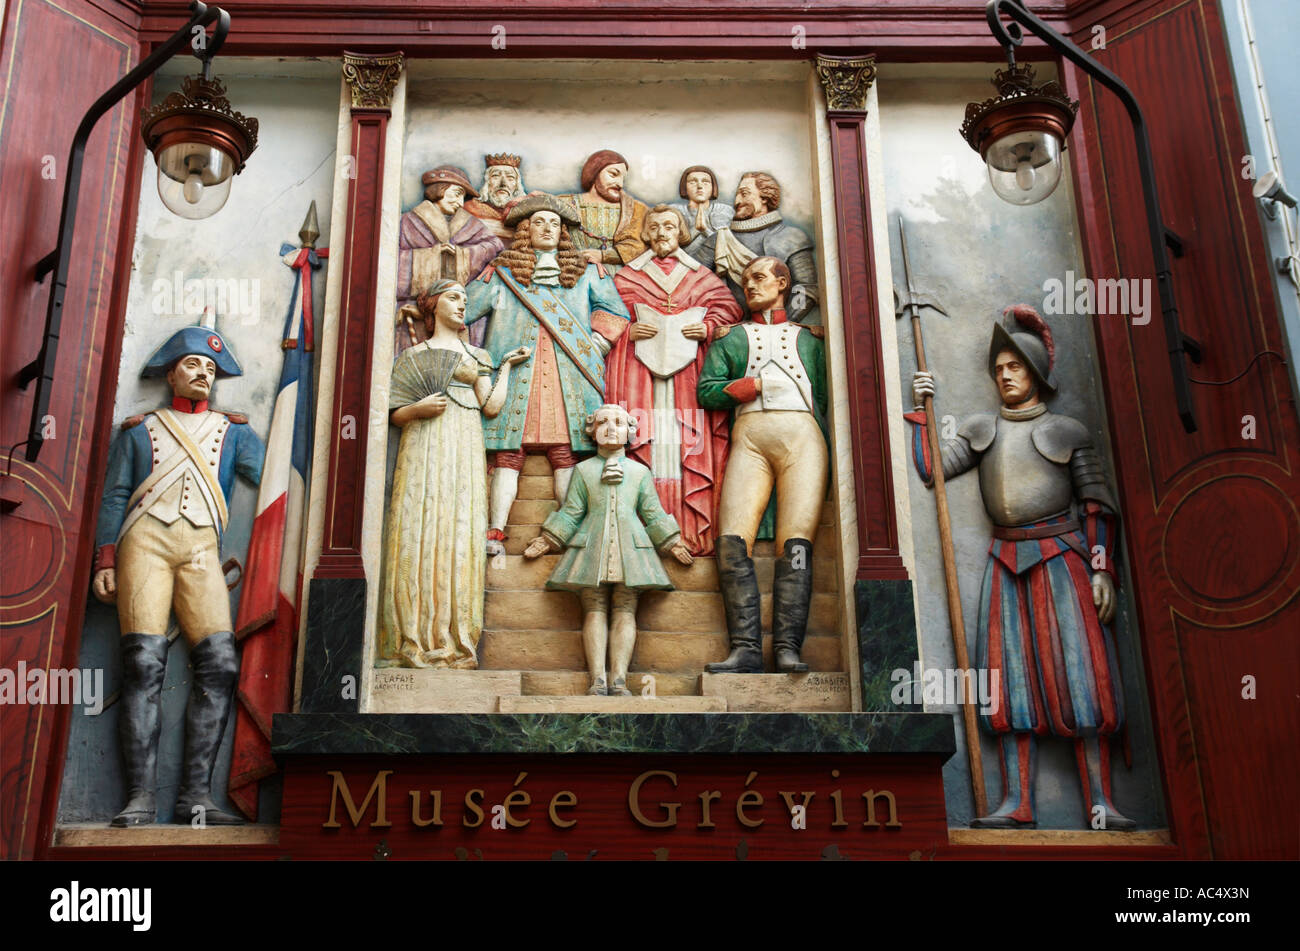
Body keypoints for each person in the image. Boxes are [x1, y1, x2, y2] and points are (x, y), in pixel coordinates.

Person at [908, 304, 1134, 831]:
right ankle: (1018, 802)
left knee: (1081, 675)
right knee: (1009, 682)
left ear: (1035, 372)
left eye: (1014, 366)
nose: (1005, 375)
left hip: (1062, 559)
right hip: (1005, 560)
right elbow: (932, 469)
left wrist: (1102, 569)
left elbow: (1097, 505)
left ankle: (1101, 801)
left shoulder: (1067, 430)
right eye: (998, 369)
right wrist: (922, 409)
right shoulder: (982, 427)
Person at [91, 322, 265, 827]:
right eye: (193, 364)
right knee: (143, 665)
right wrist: (105, 560)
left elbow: (275, 470)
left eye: (211, 369)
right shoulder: (141, 429)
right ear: (171, 373)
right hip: (143, 544)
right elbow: (117, 496)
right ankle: (140, 799)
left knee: (220, 665)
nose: (203, 375)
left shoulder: (233, 431)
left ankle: (196, 799)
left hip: (201, 550)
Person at [464, 193, 631, 556]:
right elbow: (463, 309)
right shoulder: (502, 275)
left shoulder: (588, 273)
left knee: (566, 450)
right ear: (525, 229)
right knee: (509, 451)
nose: (548, 229)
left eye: (554, 224)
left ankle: (570, 530)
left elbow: (615, 313)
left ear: (563, 233)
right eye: (539, 222)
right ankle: (495, 531)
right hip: (516, 371)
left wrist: (596, 347)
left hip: (569, 372)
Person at [380, 279, 528, 668]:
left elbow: (491, 406)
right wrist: (417, 409)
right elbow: (393, 413)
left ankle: (456, 640)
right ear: (432, 307)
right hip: (424, 443)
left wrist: (507, 368)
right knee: (420, 525)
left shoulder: (476, 354)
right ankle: (411, 637)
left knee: (460, 529)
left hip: (464, 443)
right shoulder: (413, 355)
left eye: (465, 299)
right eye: (453, 298)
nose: (462, 304)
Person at [697, 257, 829, 674]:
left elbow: (827, 394)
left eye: (758, 278)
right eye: (744, 280)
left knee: (798, 544)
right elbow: (707, 391)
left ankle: (788, 647)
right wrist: (747, 387)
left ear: (783, 283)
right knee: (732, 538)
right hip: (750, 439)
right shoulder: (732, 338)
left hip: (803, 440)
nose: (749, 286)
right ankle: (746, 648)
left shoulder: (811, 339)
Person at [524, 404, 693, 696]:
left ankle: (619, 678)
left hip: (632, 548)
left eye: (618, 422)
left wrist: (672, 541)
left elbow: (651, 512)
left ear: (630, 431)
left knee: (626, 609)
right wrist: (547, 540)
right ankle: (597, 678)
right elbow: (572, 511)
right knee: (594, 608)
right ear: (593, 432)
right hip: (592, 546)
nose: (611, 427)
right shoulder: (584, 470)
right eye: (603, 422)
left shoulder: (640, 472)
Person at [604, 204, 743, 555]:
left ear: (680, 232)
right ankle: (640, 533)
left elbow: (727, 307)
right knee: (648, 443)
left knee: (687, 445)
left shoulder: (700, 276)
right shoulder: (627, 276)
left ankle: (690, 529)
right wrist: (628, 330)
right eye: (655, 226)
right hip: (641, 379)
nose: (663, 231)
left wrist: (708, 326)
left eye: (670, 225)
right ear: (647, 234)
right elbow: (605, 314)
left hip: (688, 378)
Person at [395, 165, 504, 353]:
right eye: (456, 194)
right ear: (439, 190)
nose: (461, 203)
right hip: (415, 315)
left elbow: (495, 248)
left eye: (463, 196)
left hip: (460, 313)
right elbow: (388, 263)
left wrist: (461, 255)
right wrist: (433, 256)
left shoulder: (470, 224)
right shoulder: (406, 222)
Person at [708, 171, 819, 324]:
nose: (737, 201)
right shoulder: (720, 239)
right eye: (737, 195)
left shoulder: (791, 237)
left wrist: (782, 324)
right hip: (730, 331)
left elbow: (806, 290)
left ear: (765, 197)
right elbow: (694, 279)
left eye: (744, 194)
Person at [559, 149, 648, 268]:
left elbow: (639, 245)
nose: (620, 184)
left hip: (619, 280)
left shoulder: (635, 209)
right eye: (613, 174)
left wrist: (604, 256)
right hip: (571, 274)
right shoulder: (565, 203)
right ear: (594, 172)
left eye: (623, 179)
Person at [668, 165, 734, 264]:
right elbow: (668, 245)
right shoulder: (674, 211)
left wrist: (705, 230)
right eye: (692, 182)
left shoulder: (723, 210)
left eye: (705, 182)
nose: (699, 186)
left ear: (713, 187)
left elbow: (727, 248)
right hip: (680, 268)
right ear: (684, 187)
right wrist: (695, 231)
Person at [464, 153, 528, 242]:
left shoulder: (526, 213)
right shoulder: (470, 209)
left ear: (517, 185)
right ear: (487, 182)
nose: (503, 183)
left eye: (510, 177)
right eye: (496, 176)